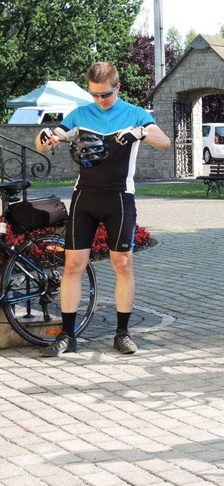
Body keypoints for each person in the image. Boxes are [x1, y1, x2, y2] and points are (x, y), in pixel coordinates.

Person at [35, 61, 171, 357]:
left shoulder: (136, 114)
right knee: (72, 265)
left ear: (117, 87)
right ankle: (67, 336)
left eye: (105, 95)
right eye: (94, 95)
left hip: (120, 198)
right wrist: (45, 138)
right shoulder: (80, 115)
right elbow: (47, 142)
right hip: (85, 197)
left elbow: (165, 142)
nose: (99, 100)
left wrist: (142, 133)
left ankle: (122, 333)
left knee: (122, 265)